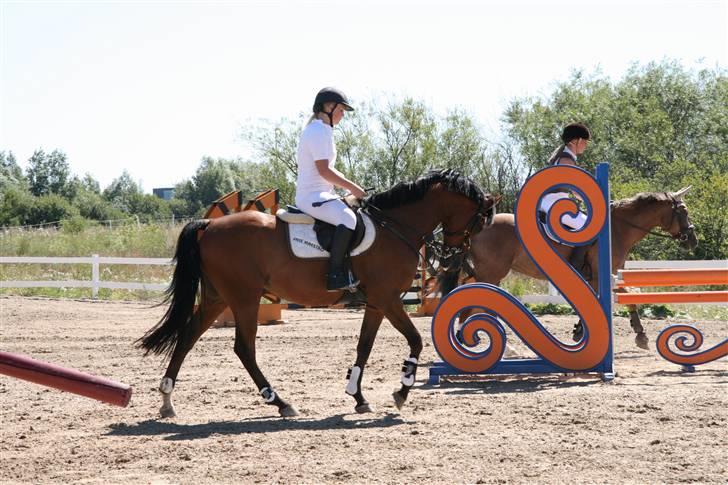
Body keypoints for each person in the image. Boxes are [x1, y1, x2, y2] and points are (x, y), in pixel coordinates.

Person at [295, 87, 366, 291]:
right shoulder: (317, 131)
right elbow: (325, 171)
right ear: (328, 107)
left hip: (322, 194)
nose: (343, 115)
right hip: (312, 196)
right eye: (341, 110)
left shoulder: (323, 130)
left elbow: (330, 171)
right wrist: (354, 188)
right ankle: (334, 275)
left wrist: (351, 188)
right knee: (348, 219)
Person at [540, 122, 592, 273]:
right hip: (554, 204)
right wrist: (592, 202)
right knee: (592, 228)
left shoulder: (566, 157)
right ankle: (575, 269)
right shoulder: (566, 160)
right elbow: (574, 189)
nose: (586, 145)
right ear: (575, 141)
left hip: (555, 202)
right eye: (584, 141)